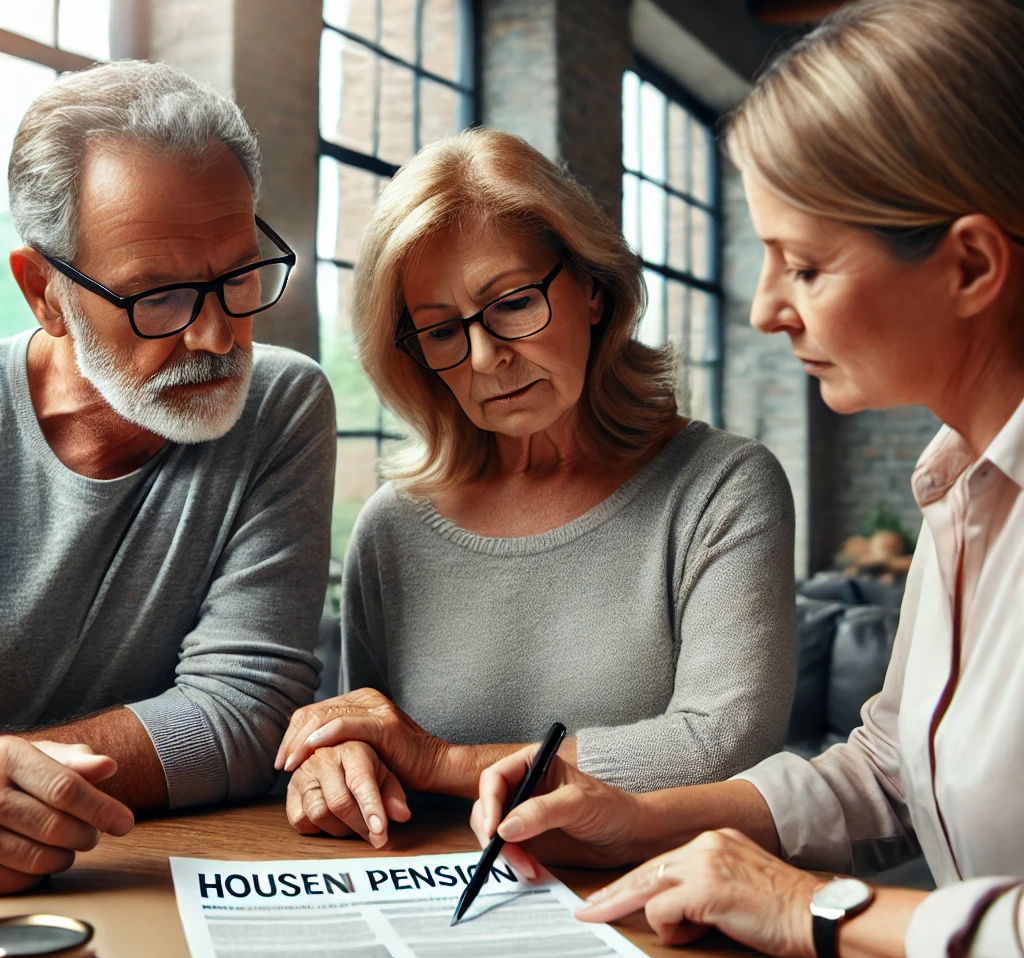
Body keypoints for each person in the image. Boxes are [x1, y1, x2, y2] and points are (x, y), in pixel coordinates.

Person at [469, 0, 1024, 958]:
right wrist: (637, 820)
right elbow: (891, 772)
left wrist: (815, 910)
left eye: (805, 265)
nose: (767, 308)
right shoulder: (964, 488)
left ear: (970, 265)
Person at [275, 127, 797, 848]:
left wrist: (443, 762)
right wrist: (341, 763)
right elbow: (379, 749)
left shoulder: (722, 487)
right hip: (443, 911)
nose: (486, 357)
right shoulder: (393, 527)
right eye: (441, 331)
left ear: (590, 287)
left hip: (669, 913)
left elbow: (723, 747)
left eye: (514, 303)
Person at [0, 61, 335, 894]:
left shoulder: (280, 404)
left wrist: (21, 784)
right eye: (159, 297)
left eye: (237, 275)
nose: (219, 337)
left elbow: (246, 713)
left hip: (151, 873)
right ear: (45, 292)